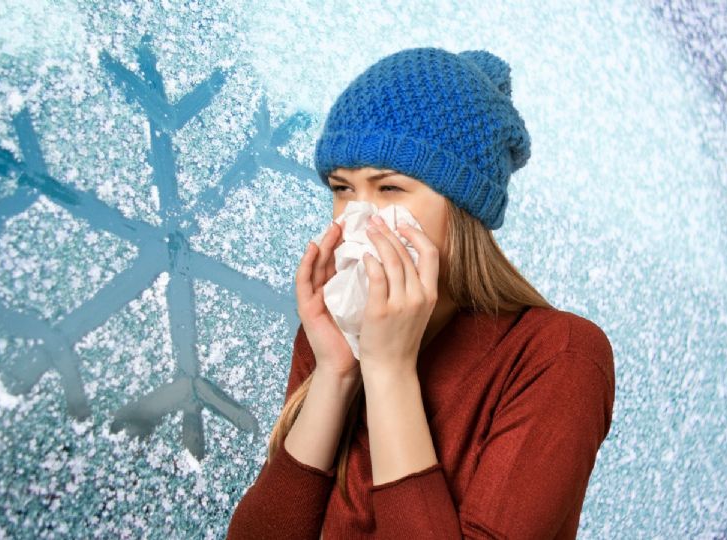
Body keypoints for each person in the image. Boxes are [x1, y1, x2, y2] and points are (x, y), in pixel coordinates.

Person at [227, 47, 615, 539]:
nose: (355, 220)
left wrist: (389, 370)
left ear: (462, 206)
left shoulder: (559, 355)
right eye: (342, 189)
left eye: (388, 189)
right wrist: (336, 372)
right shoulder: (336, 332)